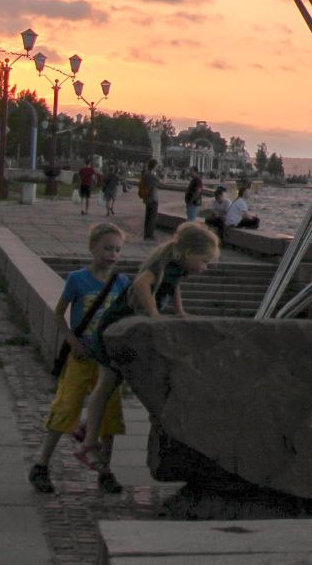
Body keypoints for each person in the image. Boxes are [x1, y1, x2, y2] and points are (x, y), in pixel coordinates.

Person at [74, 221, 219, 470]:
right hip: (115, 326)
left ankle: (86, 427)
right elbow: (142, 283)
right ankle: (88, 444)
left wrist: (180, 311)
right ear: (188, 254)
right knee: (105, 385)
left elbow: (174, 287)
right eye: (204, 261)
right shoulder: (167, 264)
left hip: (123, 327)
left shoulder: (176, 267)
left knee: (111, 384)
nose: (205, 268)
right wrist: (153, 315)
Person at [28, 221, 129, 495]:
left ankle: (105, 471)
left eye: (118, 250)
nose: (113, 255)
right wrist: (72, 340)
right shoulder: (77, 279)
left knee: (110, 414)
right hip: (82, 355)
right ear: (93, 248)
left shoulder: (122, 282)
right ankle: (41, 465)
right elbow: (59, 312)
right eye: (108, 248)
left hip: (107, 360)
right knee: (66, 406)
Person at [137, 158, 160, 240]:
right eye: (157, 165)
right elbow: (162, 182)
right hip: (152, 198)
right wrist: (165, 174)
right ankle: (150, 234)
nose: (158, 166)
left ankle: (146, 234)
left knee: (148, 216)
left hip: (147, 197)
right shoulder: (151, 175)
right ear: (154, 166)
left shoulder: (146, 173)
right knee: (152, 217)